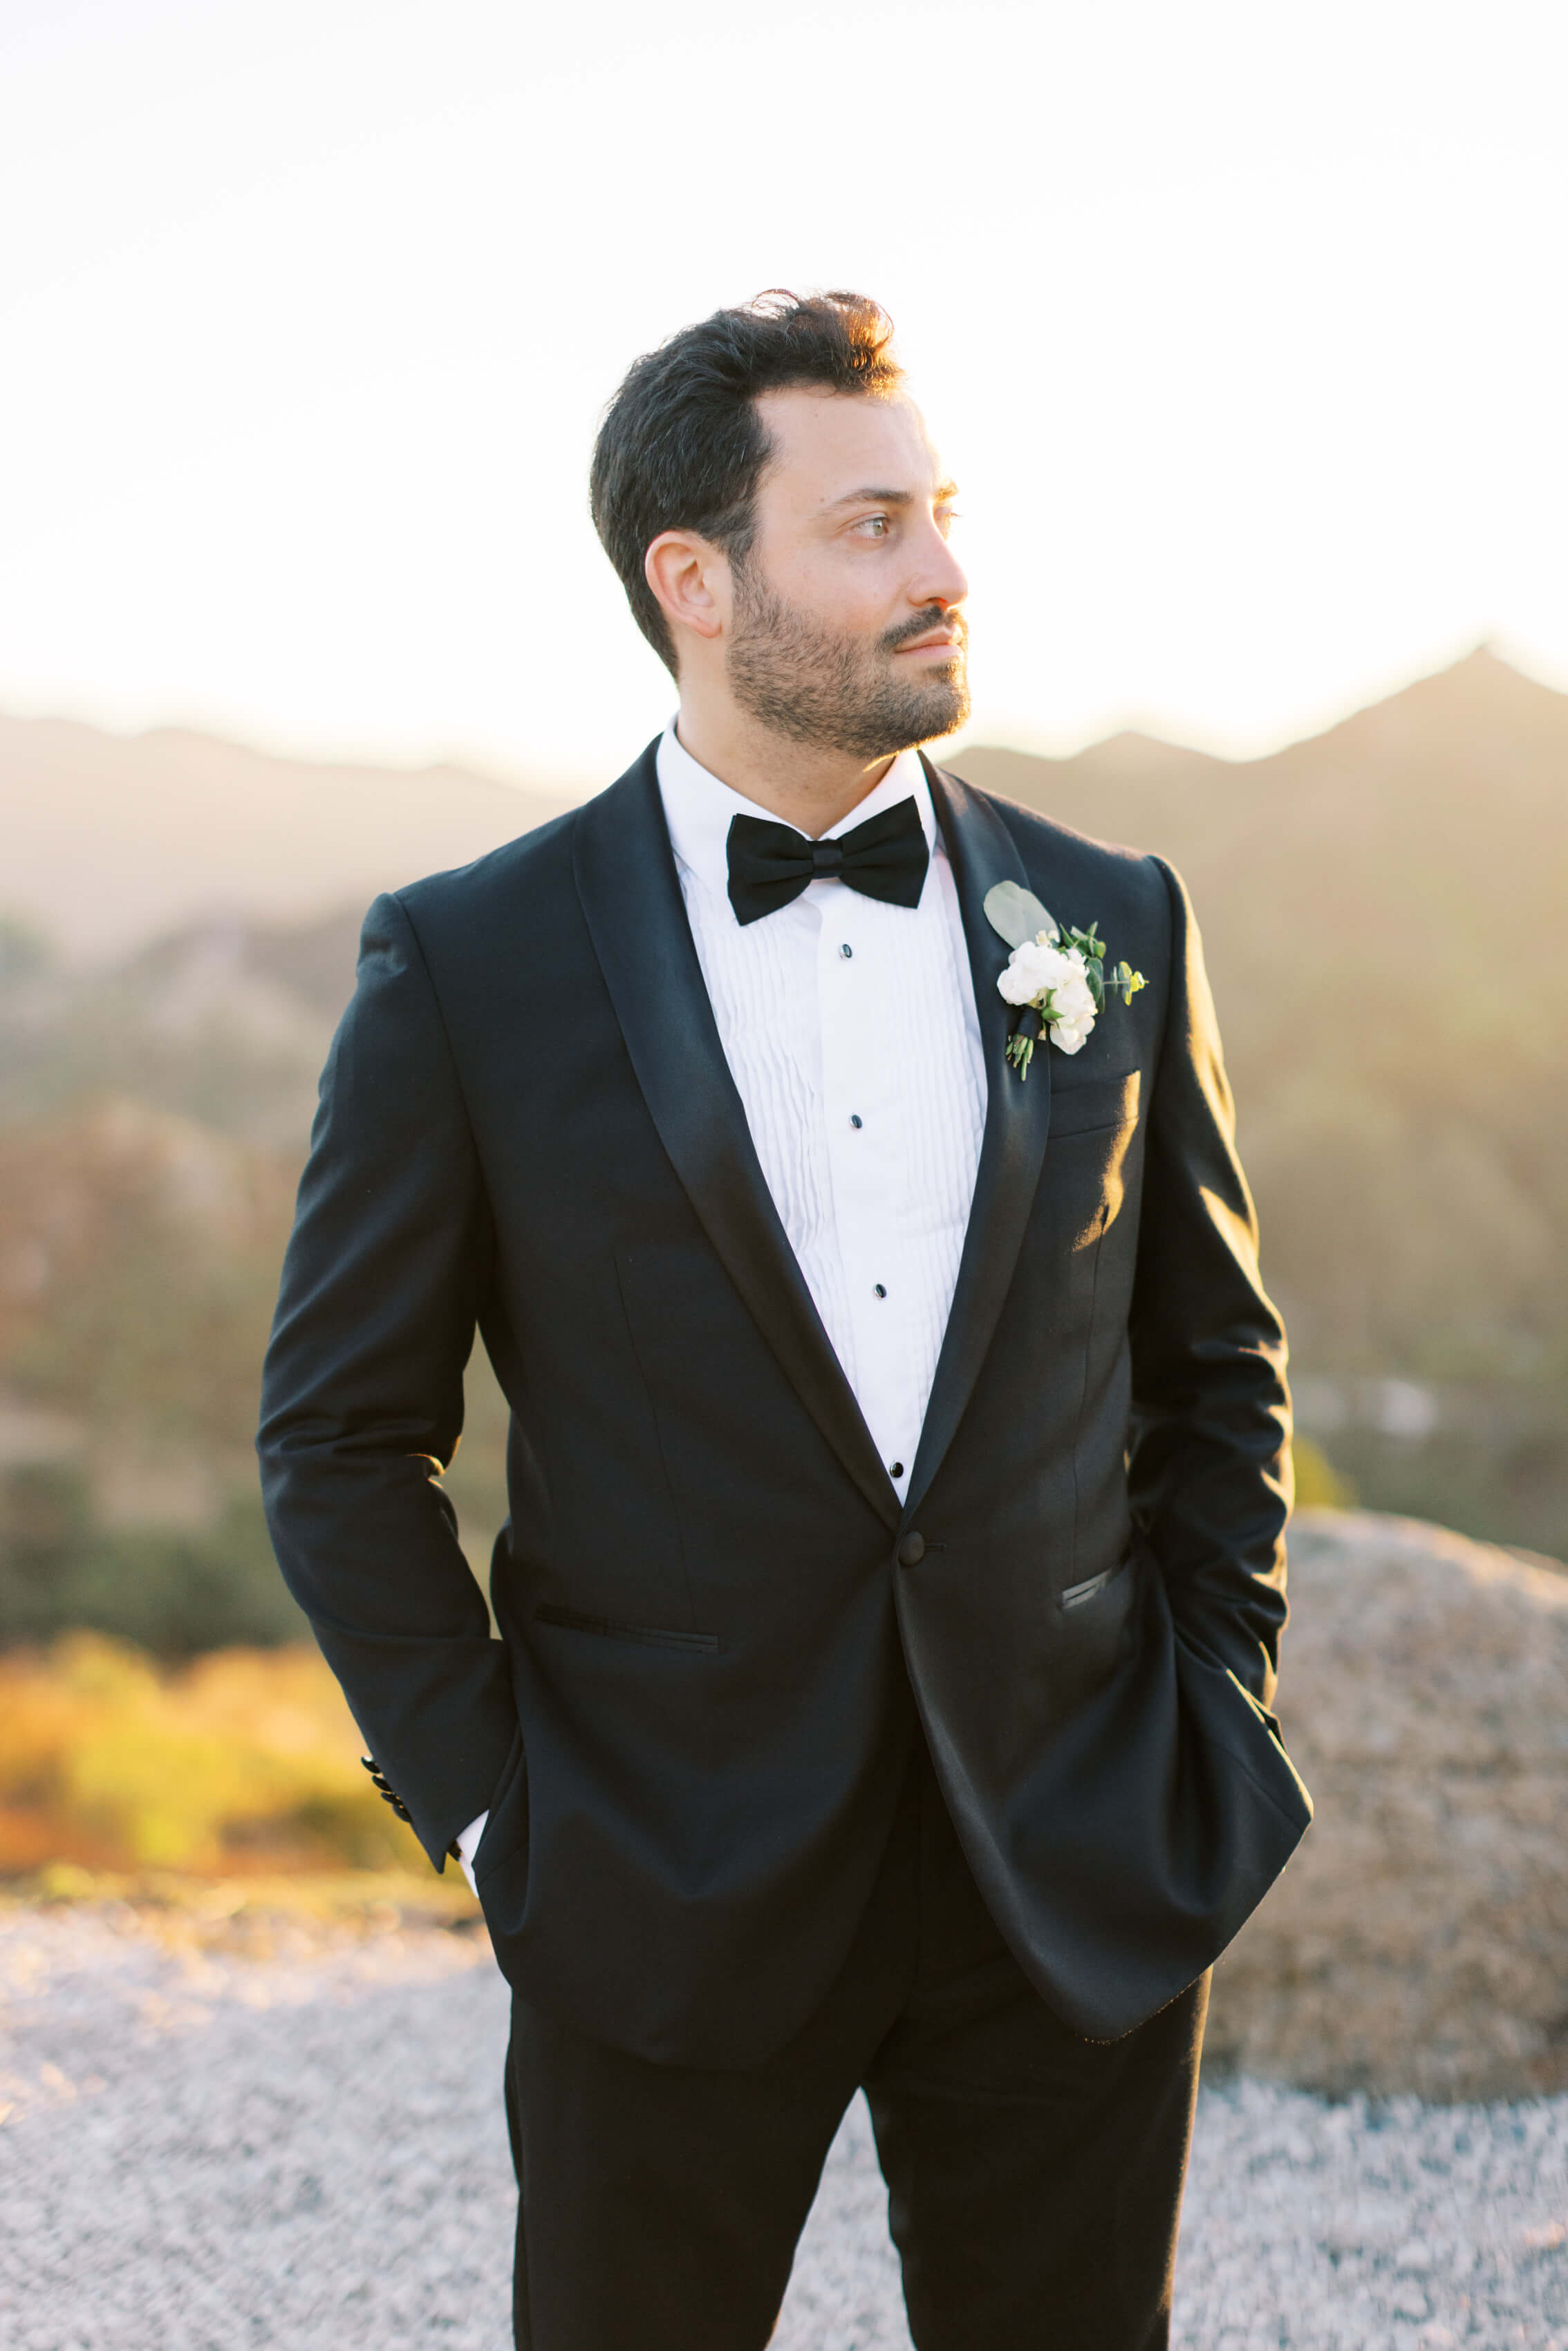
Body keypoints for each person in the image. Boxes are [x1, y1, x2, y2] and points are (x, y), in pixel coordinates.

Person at [256, 289, 1312, 2350]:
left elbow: (1215, 1362)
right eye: (868, 528)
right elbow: (340, 1438)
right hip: (654, 1872)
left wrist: (1209, 1703)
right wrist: (493, 1812)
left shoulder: (1111, 919)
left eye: (940, 515)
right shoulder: (471, 964)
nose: (942, 573)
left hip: (1070, 1860)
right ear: (694, 578)